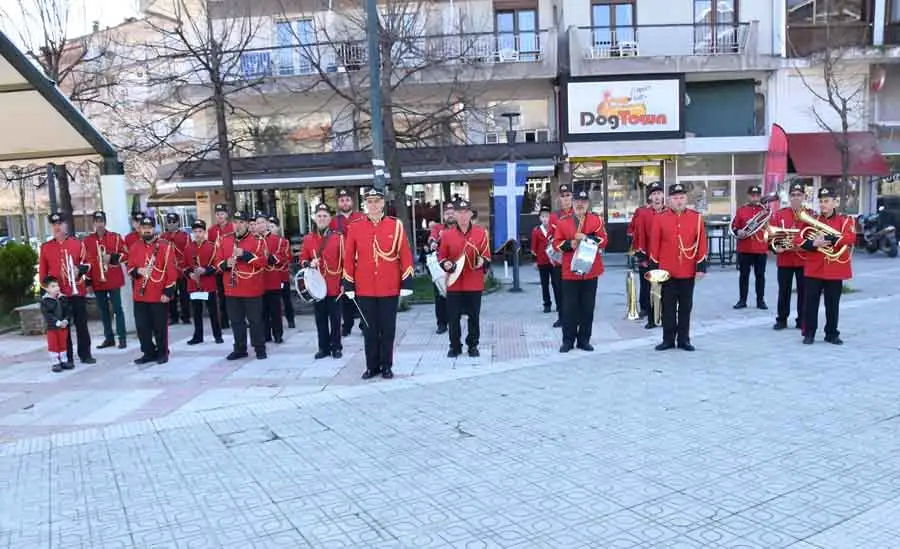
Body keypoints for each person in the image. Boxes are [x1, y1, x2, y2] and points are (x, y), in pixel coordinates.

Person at [343, 187, 415, 379]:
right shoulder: (355, 227)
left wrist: (406, 281)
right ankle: (371, 366)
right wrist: (348, 284)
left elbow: (405, 254)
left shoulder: (395, 225)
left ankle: (386, 366)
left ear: (383, 203)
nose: (373, 205)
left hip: (389, 286)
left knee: (388, 329)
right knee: (369, 329)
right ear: (365, 204)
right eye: (370, 201)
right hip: (364, 287)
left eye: (377, 201)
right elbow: (349, 257)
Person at [649, 183, 708, 351]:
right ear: (669, 200)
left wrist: (701, 266)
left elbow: (701, 243)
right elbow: (655, 244)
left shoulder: (696, 218)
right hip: (667, 271)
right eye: (675, 198)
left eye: (682, 197)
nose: (679, 201)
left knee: (685, 307)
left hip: (688, 270)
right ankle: (668, 339)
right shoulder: (660, 218)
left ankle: (684, 339)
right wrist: (654, 269)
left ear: (686, 199)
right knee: (667, 307)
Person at [794, 187, 855, 345]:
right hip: (814, 268)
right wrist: (813, 243)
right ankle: (809, 333)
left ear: (835, 202)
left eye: (826, 201)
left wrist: (829, 238)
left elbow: (850, 238)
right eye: (821, 201)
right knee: (810, 303)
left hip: (835, 269)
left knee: (832, 304)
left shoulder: (845, 220)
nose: (823, 204)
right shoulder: (812, 219)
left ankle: (832, 333)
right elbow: (798, 239)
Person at [552, 189, 607, 353]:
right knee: (569, 308)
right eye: (577, 202)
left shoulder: (596, 220)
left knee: (587, 307)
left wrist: (587, 238)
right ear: (572, 203)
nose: (580, 205)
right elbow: (556, 244)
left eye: (583, 202)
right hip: (570, 271)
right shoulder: (563, 222)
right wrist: (570, 244)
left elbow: (604, 240)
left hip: (591, 270)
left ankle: (584, 340)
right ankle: (567, 341)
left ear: (588, 204)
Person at [39, 212, 95, 366]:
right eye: (54, 225)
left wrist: (79, 269)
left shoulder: (77, 244)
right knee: (63, 328)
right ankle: (67, 357)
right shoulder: (46, 248)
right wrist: (49, 291)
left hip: (76, 289)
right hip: (59, 295)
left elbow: (89, 263)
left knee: (81, 324)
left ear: (66, 225)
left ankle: (85, 354)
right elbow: (43, 275)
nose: (57, 227)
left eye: (60, 224)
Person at [438, 199, 491, 358]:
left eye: (465, 212)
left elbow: (486, 255)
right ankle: (455, 346)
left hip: (473, 283)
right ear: (454, 214)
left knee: (473, 317)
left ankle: (473, 345)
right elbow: (442, 257)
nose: (462, 216)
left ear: (470, 214)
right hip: (454, 283)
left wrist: (482, 261)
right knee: (453, 318)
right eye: (459, 213)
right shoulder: (447, 235)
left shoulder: (481, 233)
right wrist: (446, 264)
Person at [127, 215, 179, 365]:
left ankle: (162, 352)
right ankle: (148, 352)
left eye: (149, 227)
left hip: (158, 294)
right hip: (140, 295)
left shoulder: (165, 246)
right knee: (142, 327)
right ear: (140, 229)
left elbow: (172, 271)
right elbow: (130, 268)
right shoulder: (135, 246)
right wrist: (138, 271)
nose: (147, 230)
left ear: (154, 228)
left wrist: (168, 292)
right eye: (144, 228)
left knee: (160, 327)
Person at [217, 211, 268, 360]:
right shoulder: (225, 240)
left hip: (252, 288)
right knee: (236, 321)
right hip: (232, 288)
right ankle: (240, 349)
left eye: (241, 222)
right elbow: (217, 262)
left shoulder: (257, 240)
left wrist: (245, 255)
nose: (238, 226)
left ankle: (260, 348)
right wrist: (226, 264)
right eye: (235, 222)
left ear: (247, 224)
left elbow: (263, 263)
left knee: (255, 321)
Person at [300, 204, 345, 359]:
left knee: (335, 319)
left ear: (330, 219)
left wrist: (344, 283)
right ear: (314, 218)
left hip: (334, 284)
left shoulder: (339, 237)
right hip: (316, 286)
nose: (322, 219)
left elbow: (346, 261)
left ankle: (336, 347)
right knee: (320, 319)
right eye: (319, 216)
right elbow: (302, 260)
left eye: (325, 216)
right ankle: (323, 348)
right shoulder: (308, 239)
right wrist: (309, 264)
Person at [82, 210, 129, 349]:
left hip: (113, 279)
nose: (99, 224)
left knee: (118, 309)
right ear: (93, 223)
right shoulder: (87, 241)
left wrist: (112, 257)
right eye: (97, 222)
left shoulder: (116, 237)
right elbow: (86, 262)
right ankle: (109, 338)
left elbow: (126, 255)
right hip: (97, 280)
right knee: (103, 311)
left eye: (101, 221)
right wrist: (88, 282)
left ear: (105, 222)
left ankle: (122, 338)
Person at [770, 182, 810, 331]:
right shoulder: (780, 214)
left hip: (803, 260)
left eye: (799, 195)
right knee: (784, 291)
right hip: (785, 260)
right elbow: (771, 237)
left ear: (804, 197)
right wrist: (775, 248)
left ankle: (802, 320)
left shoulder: (811, 215)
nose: (796, 198)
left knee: (803, 292)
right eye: (793, 195)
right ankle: (781, 319)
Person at [632, 182, 668, 328]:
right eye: (654, 194)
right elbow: (640, 234)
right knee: (649, 288)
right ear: (649, 198)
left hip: (666, 258)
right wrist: (641, 254)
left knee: (666, 288)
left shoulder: (669, 213)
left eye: (659, 193)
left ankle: (665, 315)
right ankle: (651, 317)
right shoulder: (644, 214)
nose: (657, 197)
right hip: (649, 258)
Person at [330, 188, 366, 336]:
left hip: (361, 263)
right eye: (342, 200)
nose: (345, 203)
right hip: (343, 264)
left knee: (364, 295)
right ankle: (347, 325)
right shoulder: (333, 221)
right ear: (338, 203)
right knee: (346, 295)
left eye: (347, 200)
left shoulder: (362, 217)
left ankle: (364, 324)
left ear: (353, 201)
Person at [184, 219, 223, 345]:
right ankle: (198, 336)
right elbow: (183, 266)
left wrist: (205, 270)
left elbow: (217, 265)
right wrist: (189, 273)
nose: (197, 234)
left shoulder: (212, 247)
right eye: (195, 231)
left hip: (208, 284)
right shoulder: (188, 248)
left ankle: (217, 335)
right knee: (196, 312)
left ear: (204, 232)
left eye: (200, 231)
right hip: (194, 285)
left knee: (213, 312)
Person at [731, 185, 770, 310]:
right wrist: (738, 232)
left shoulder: (765, 211)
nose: (755, 197)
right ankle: (742, 300)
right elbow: (734, 226)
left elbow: (770, 228)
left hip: (760, 248)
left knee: (760, 276)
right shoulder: (741, 210)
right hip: (745, 248)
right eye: (752, 195)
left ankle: (760, 300)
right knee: (744, 276)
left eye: (757, 195)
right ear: (748, 196)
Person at [259, 212, 290, 344]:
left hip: (272, 279)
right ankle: (265, 334)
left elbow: (283, 257)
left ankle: (278, 334)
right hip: (258, 280)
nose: (259, 225)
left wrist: (270, 257)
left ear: (267, 224)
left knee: (275, 310)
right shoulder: (253, 240)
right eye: (257, 223)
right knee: (262, 310)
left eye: (262, 222)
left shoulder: (279, 240)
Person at [547, 184, 574, 328]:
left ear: (572, 197)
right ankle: (562, 317)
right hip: (559, 260)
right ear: (559, 198)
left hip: (575, 260)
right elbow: (550, 237)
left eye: (568, 195)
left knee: (575, 291)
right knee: (559, 290)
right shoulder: (554, 216)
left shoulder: (578, 213)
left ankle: (575, 317)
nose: (566, 199)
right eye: (563, 196)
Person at [427, 202, 455, 333]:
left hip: (456, 265)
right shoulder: (438, 228)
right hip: (440, 265)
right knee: (440, 295)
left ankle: (454, 320)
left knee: (456, 295)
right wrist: (433, 242)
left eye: (452, 213)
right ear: (443, 216)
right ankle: (442, 323)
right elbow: (432, 238)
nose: (450, 215)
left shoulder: (461, 228)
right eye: (447, 213)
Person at [160, 212, 191, 324]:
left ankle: (186, 316)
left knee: (184, 295)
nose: (171, 224)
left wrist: (187, 267)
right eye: (169, 222)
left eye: (174, 221)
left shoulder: (184, 236)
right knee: (170, 294)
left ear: (178, 222)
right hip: (169, 271)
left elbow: (188, 252)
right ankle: (173, 317)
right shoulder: (162, 237)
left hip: (181, 269)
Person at [208, 204, 235, 329]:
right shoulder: (212, 230)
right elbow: (211, 249)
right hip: (219, 267)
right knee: (221, 295)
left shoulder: (233, 227)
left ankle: (236, 318)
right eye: (218, 214)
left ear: (227, 214)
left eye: (222, 213)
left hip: (233, 265)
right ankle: (224, 320)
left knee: (234, 294)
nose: (220, 216)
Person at [530, 206, 559, 314]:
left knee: (556, 284)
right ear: (539, 218)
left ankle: (559, 304)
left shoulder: (555, 229)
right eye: (543, 216)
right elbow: (533, 248)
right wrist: (535, 261)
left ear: (550, 217)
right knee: (544, 284)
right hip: (542, 262)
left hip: (554, 261)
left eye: (547, 216)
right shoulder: (536, 231)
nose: (545, 219)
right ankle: (547, 304)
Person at [41, 276, 72, 373]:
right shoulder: (46, 301)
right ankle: (55, 362)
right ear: (47, 289)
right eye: (53, 286)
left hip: (63, 326)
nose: (56, 288)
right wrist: (58, 322)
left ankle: (64, 360)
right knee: (53, 344)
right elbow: (48, 315)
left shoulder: (62, 298)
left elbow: (68, 310)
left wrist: (66, 320)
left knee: (63, 344)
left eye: (57, 285)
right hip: (52, 328)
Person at [270, 216, 296, 329]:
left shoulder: (284, 242)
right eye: (269, 226)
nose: (271, 229)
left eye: (273, 226)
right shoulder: (264, 241)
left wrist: (274, 260)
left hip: (282, 276)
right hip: (270, 276)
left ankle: (290, 319)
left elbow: (287, 258)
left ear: (278, 228)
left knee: (286, 300)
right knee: (274, 303)